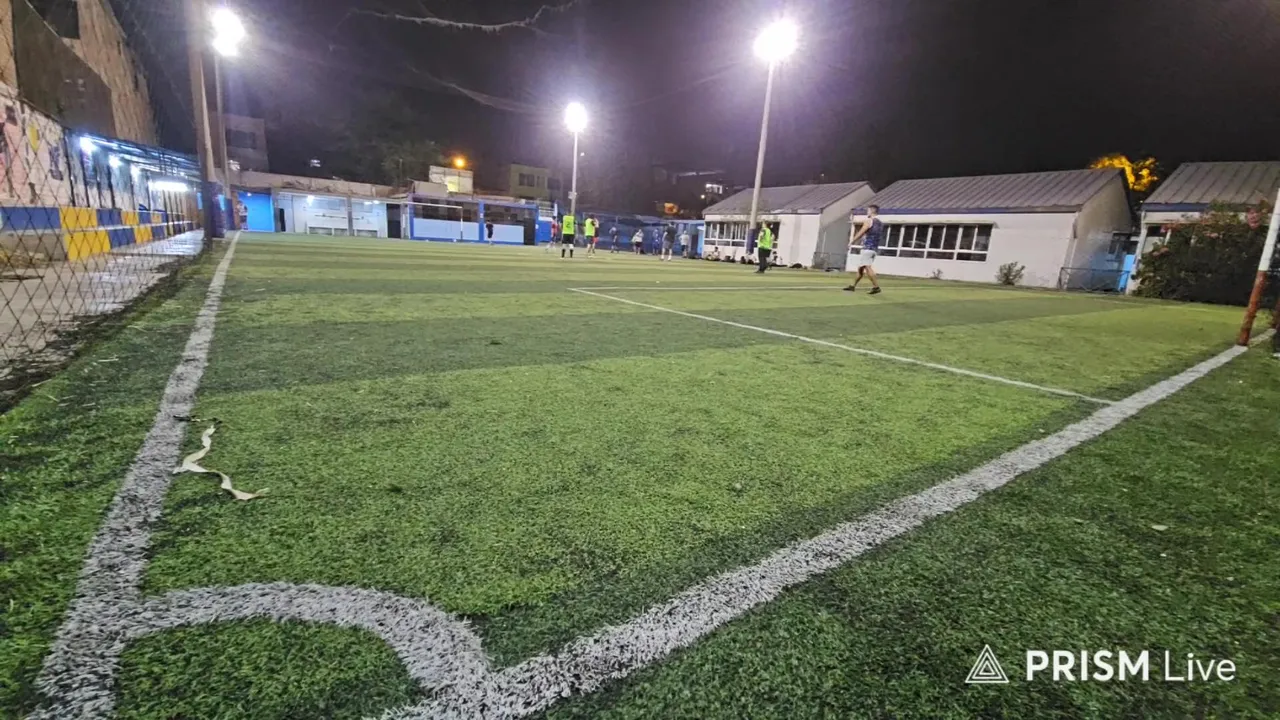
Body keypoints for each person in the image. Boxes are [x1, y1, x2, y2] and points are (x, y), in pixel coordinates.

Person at [846, 204, 883, 294]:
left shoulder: (869, 221)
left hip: (868, 247)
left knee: (867, 266)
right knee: (861, 268)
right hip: (874, 248)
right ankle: (852, 286)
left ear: (871, 211)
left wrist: (852, 241)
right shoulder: (880, 223)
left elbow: (861, 232)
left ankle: (876, 287)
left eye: (868, 210)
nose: (867, 212)